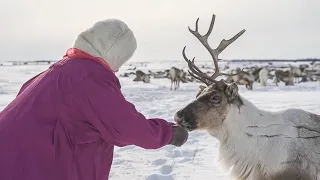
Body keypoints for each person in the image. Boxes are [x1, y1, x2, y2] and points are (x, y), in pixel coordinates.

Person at [0, 19, 189, 180]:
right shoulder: (89, 77)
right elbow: (123, 126)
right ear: (116, 53)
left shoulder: (57, 71)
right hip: (34, 169)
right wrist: (168, 133)